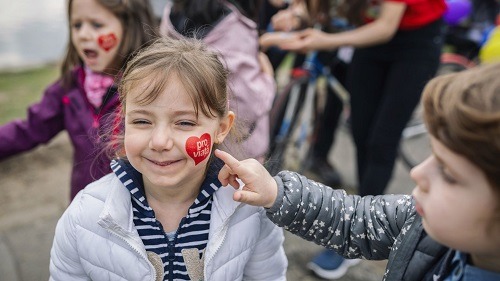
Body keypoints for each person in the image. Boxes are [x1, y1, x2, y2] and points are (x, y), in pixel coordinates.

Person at [215, 62, 500, 280]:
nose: (417, 173)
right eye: (431, 155)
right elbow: (352, 221)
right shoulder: (418, 222)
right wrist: (276, 192)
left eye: (449, 173)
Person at [49, 37, 288, 281]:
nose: (160, 142)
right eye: (142, 121)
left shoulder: (249, 210)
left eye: (184, 123)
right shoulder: (85, 216)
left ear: (222, 127)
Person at [0, 0, 157, 200]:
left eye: (96, 24)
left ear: (129, 25)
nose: (83, 34)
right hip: (85, 211)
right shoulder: (69, 89)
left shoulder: (151, 88)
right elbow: (27, 130)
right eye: (77, 25)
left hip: (140, 212)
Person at [159, 0, 276, 163]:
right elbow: (247, 106)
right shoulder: (236, 29)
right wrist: (268, 80)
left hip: (178, 143)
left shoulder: (173, 14)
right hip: (230, 155)